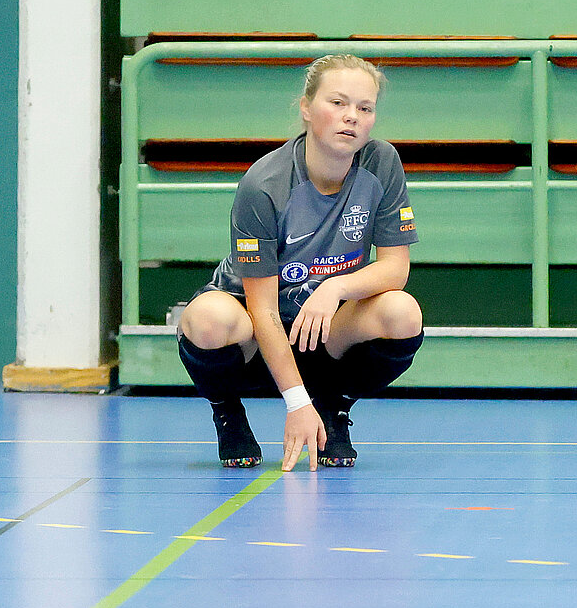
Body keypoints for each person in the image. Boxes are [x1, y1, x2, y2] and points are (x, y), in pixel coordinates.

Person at [176, 54, 425, 471]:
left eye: (365, 108)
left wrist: (335, 287)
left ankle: (335, 408)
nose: (352, 117)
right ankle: (226, 411)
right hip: (255, 334)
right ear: (306, 108)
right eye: (338, 103)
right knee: (206, 320)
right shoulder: (264, 184)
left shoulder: (382, 163)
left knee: (403, 313)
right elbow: (263, 309)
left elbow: (395, 269)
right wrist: (295, 402)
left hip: (324, 328)